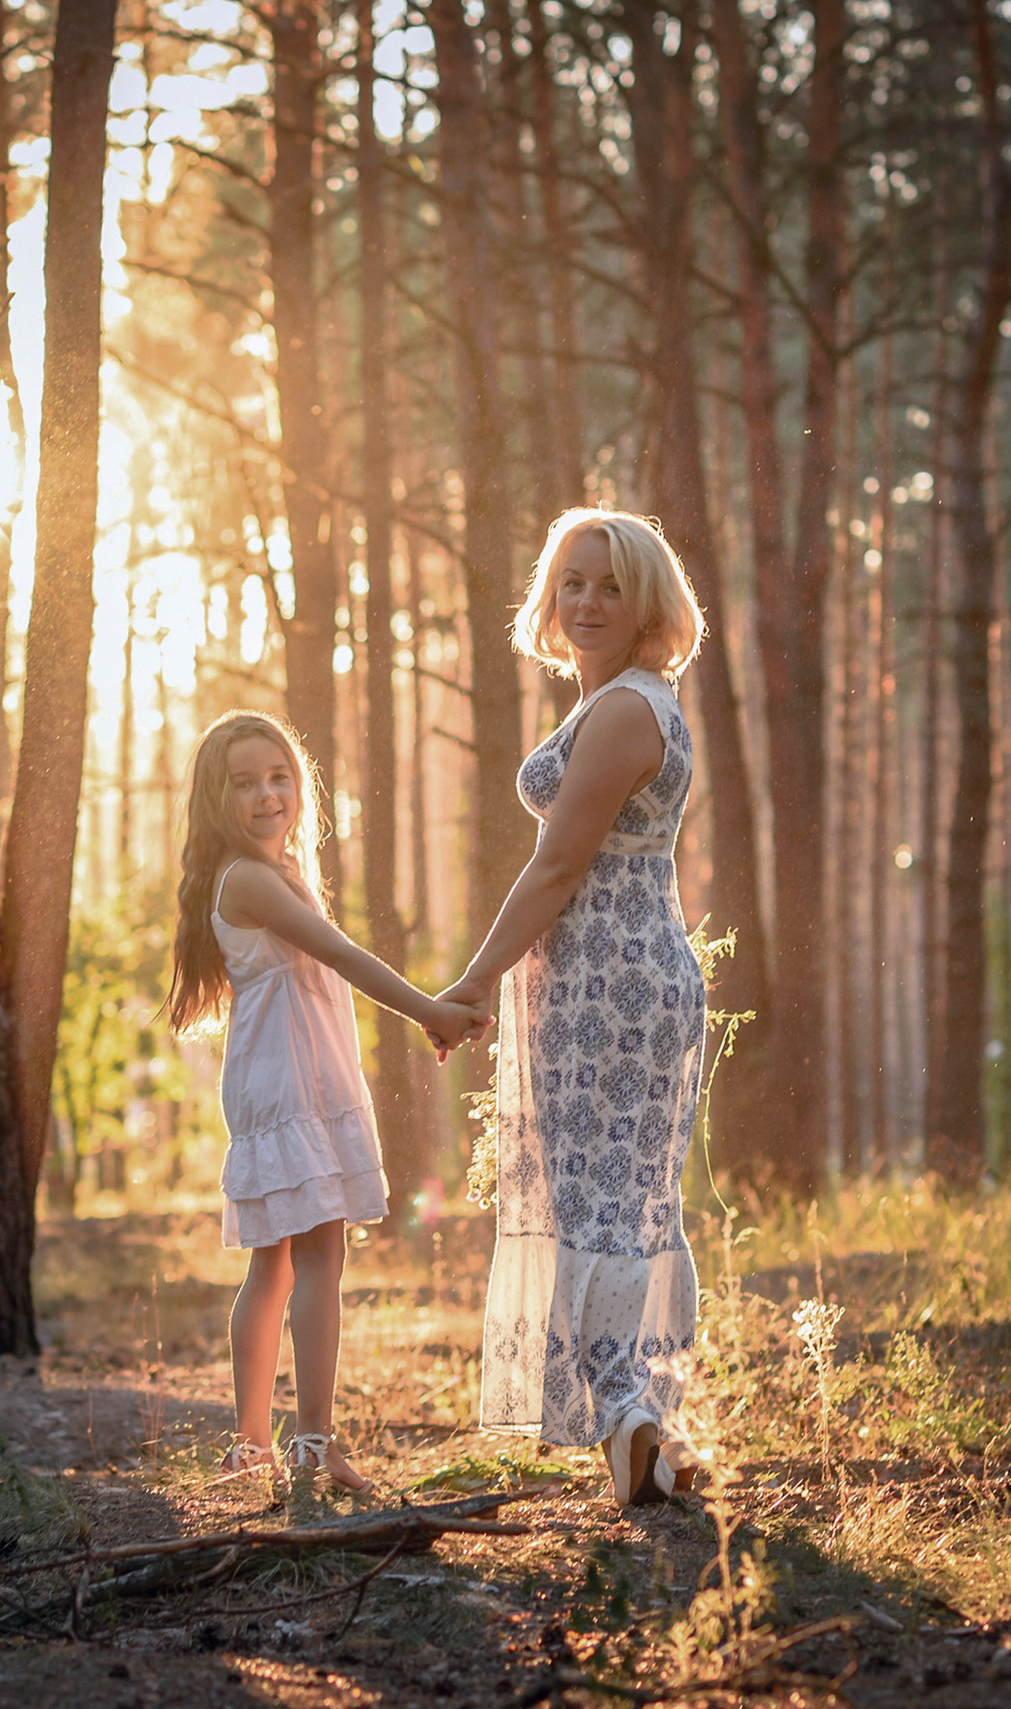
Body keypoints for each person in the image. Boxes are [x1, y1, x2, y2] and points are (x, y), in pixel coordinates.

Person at [438, 508, 711, 1514]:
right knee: (623, 1193)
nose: (587, 601)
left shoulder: (626, 708)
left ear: (647, 601)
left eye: (609, 584)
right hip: (618, 971)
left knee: (601, 1196)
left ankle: (629, 1418)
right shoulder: (630, 703)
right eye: (571, 582)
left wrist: (470, 981)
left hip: (610, 976)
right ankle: (646, 1425)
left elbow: (558, 864)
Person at [169, 710, 489, 1493]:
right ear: (217, 799)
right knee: (315, 1255)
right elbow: (340, 956)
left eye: (278, 777)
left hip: (291, 1076)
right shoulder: (246, 879)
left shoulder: (276, 874)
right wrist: (431, 1011)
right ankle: (308, 1440)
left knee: (276, 1264)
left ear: (300, 786)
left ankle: (254, 1445)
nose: (266, 793)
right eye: (244, 783)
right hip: (288, 1083)